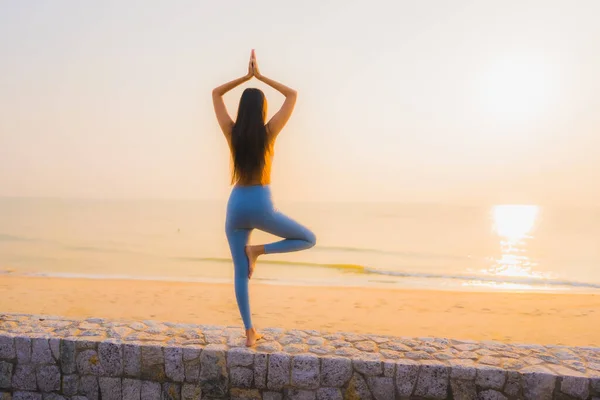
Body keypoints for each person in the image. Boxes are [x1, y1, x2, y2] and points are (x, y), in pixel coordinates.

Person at [212, 50, 317, 346]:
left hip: (236, 206)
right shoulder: (269, 132)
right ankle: (258, 250)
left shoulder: (231, 132)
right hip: (260, 203)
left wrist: (245, 77)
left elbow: (216, 93)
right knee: (308, 238)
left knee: (238, 272)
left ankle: (249, 332)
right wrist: (260, 76)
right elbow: (292, 95)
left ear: (242, 110)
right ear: (261, 110)